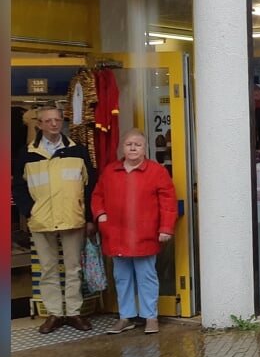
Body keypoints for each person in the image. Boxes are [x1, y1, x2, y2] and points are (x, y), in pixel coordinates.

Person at [15, 104, 96, 334]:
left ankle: (73, 312)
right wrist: (30, 211)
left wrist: (88, 216)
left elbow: (90, 185)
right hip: (41, 220)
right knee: (48, 268)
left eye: (57, 120)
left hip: (72, 217)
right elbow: (18, 186)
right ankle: (54, 314)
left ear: (63, 123)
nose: (53, 124)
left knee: (74, 268)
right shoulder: (27, 153)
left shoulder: (77, 150)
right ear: (39, 125)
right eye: (48, 121)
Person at [91, 129, 177, 335]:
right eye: (129, 144)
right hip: (117, 235)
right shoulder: (111, 171)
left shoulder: (157, 172)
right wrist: (101, 215)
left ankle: (150, 317)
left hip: (144, 235)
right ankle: (125, 316)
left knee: (146, 276)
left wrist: (166, 228)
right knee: (122, 278)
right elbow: (97, 196)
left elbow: (168, 203)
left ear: (144, 148)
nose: (132, 148)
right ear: (123, 148)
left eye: (137, 144)